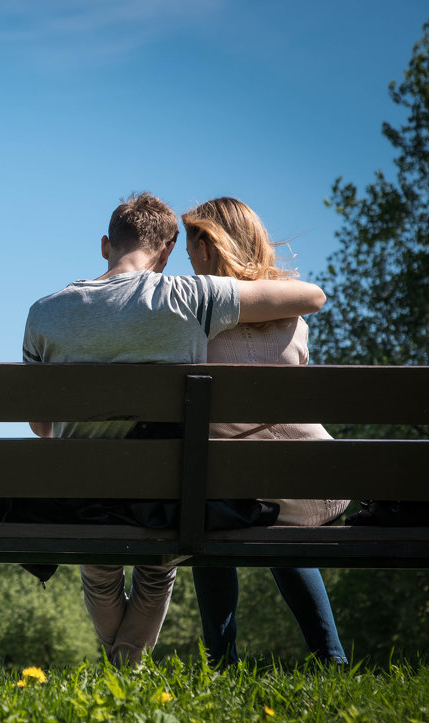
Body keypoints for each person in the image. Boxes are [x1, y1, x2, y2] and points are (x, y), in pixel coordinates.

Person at [22, 192, 326, 665]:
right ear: (165, 253)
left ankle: (122, 673)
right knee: (158, 570)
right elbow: (311, 296)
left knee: (100, 571)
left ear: (106, 245)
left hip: (79, 498)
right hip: (160, 502)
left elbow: (41, 426)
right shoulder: (185, 296)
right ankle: (126, 670)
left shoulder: (44, 312)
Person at [182, 197, 349, 666]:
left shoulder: (197, 314)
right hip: (310, 478)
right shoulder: (294, 317)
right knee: (276, 508)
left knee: (206, 502)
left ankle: (222, 661)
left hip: (229, 488)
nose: (189, 263)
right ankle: (330, 656)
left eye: (192, 250)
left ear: (209, 247)